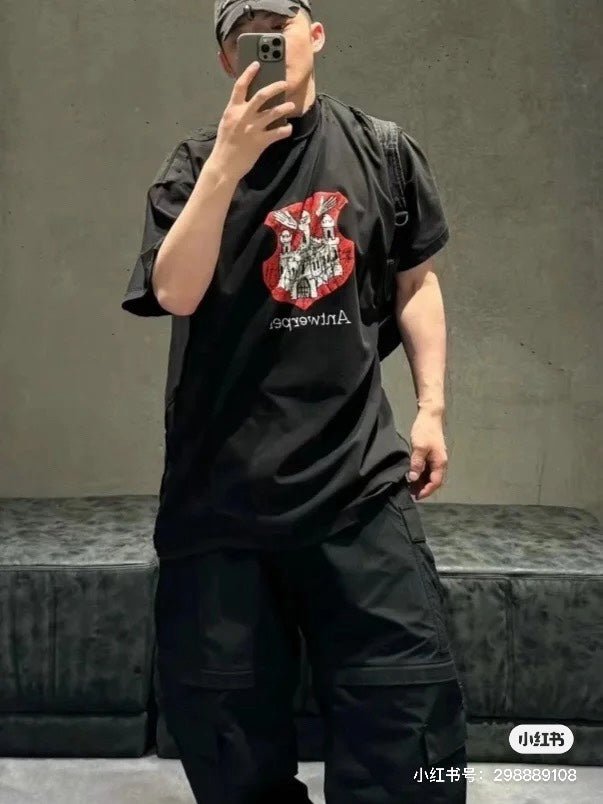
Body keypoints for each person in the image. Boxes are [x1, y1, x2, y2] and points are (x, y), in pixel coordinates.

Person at [121, 1, 468, 801]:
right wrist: (226, 165)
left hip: (358, 489)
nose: (267, 41)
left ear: (315, 35)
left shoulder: (383, 150)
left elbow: (415, 283)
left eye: (281, 23)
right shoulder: (194, 166)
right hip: (220, 500)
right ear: (227, 59)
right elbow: (174, 292)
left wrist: (432, 409)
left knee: (407, 728)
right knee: (229, 750)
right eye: (246, 33)